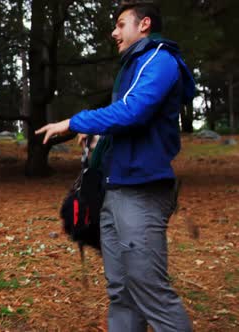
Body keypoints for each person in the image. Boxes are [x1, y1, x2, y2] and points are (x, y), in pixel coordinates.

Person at [35, 1, 194, 331]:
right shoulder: (135, 65)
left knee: (150, 292)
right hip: (114, 190)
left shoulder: (159, 59)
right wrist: (98, 140)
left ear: (144, 24)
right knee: (121, 291)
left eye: (121, 25)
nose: (114, 32)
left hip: (141, 193)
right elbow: (130, 124)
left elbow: (134, 111)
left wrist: (76, 122)